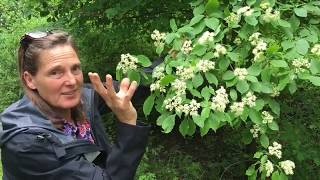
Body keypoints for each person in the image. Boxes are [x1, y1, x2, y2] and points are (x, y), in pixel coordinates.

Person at [0, 30, 150, 180]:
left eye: (75, 68)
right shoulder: (27, 144)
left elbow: (129, 88)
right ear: (30, 80)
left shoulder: (80, 100)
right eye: (56, 72)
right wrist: (128, 123)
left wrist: (167, 67)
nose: (72, 81)